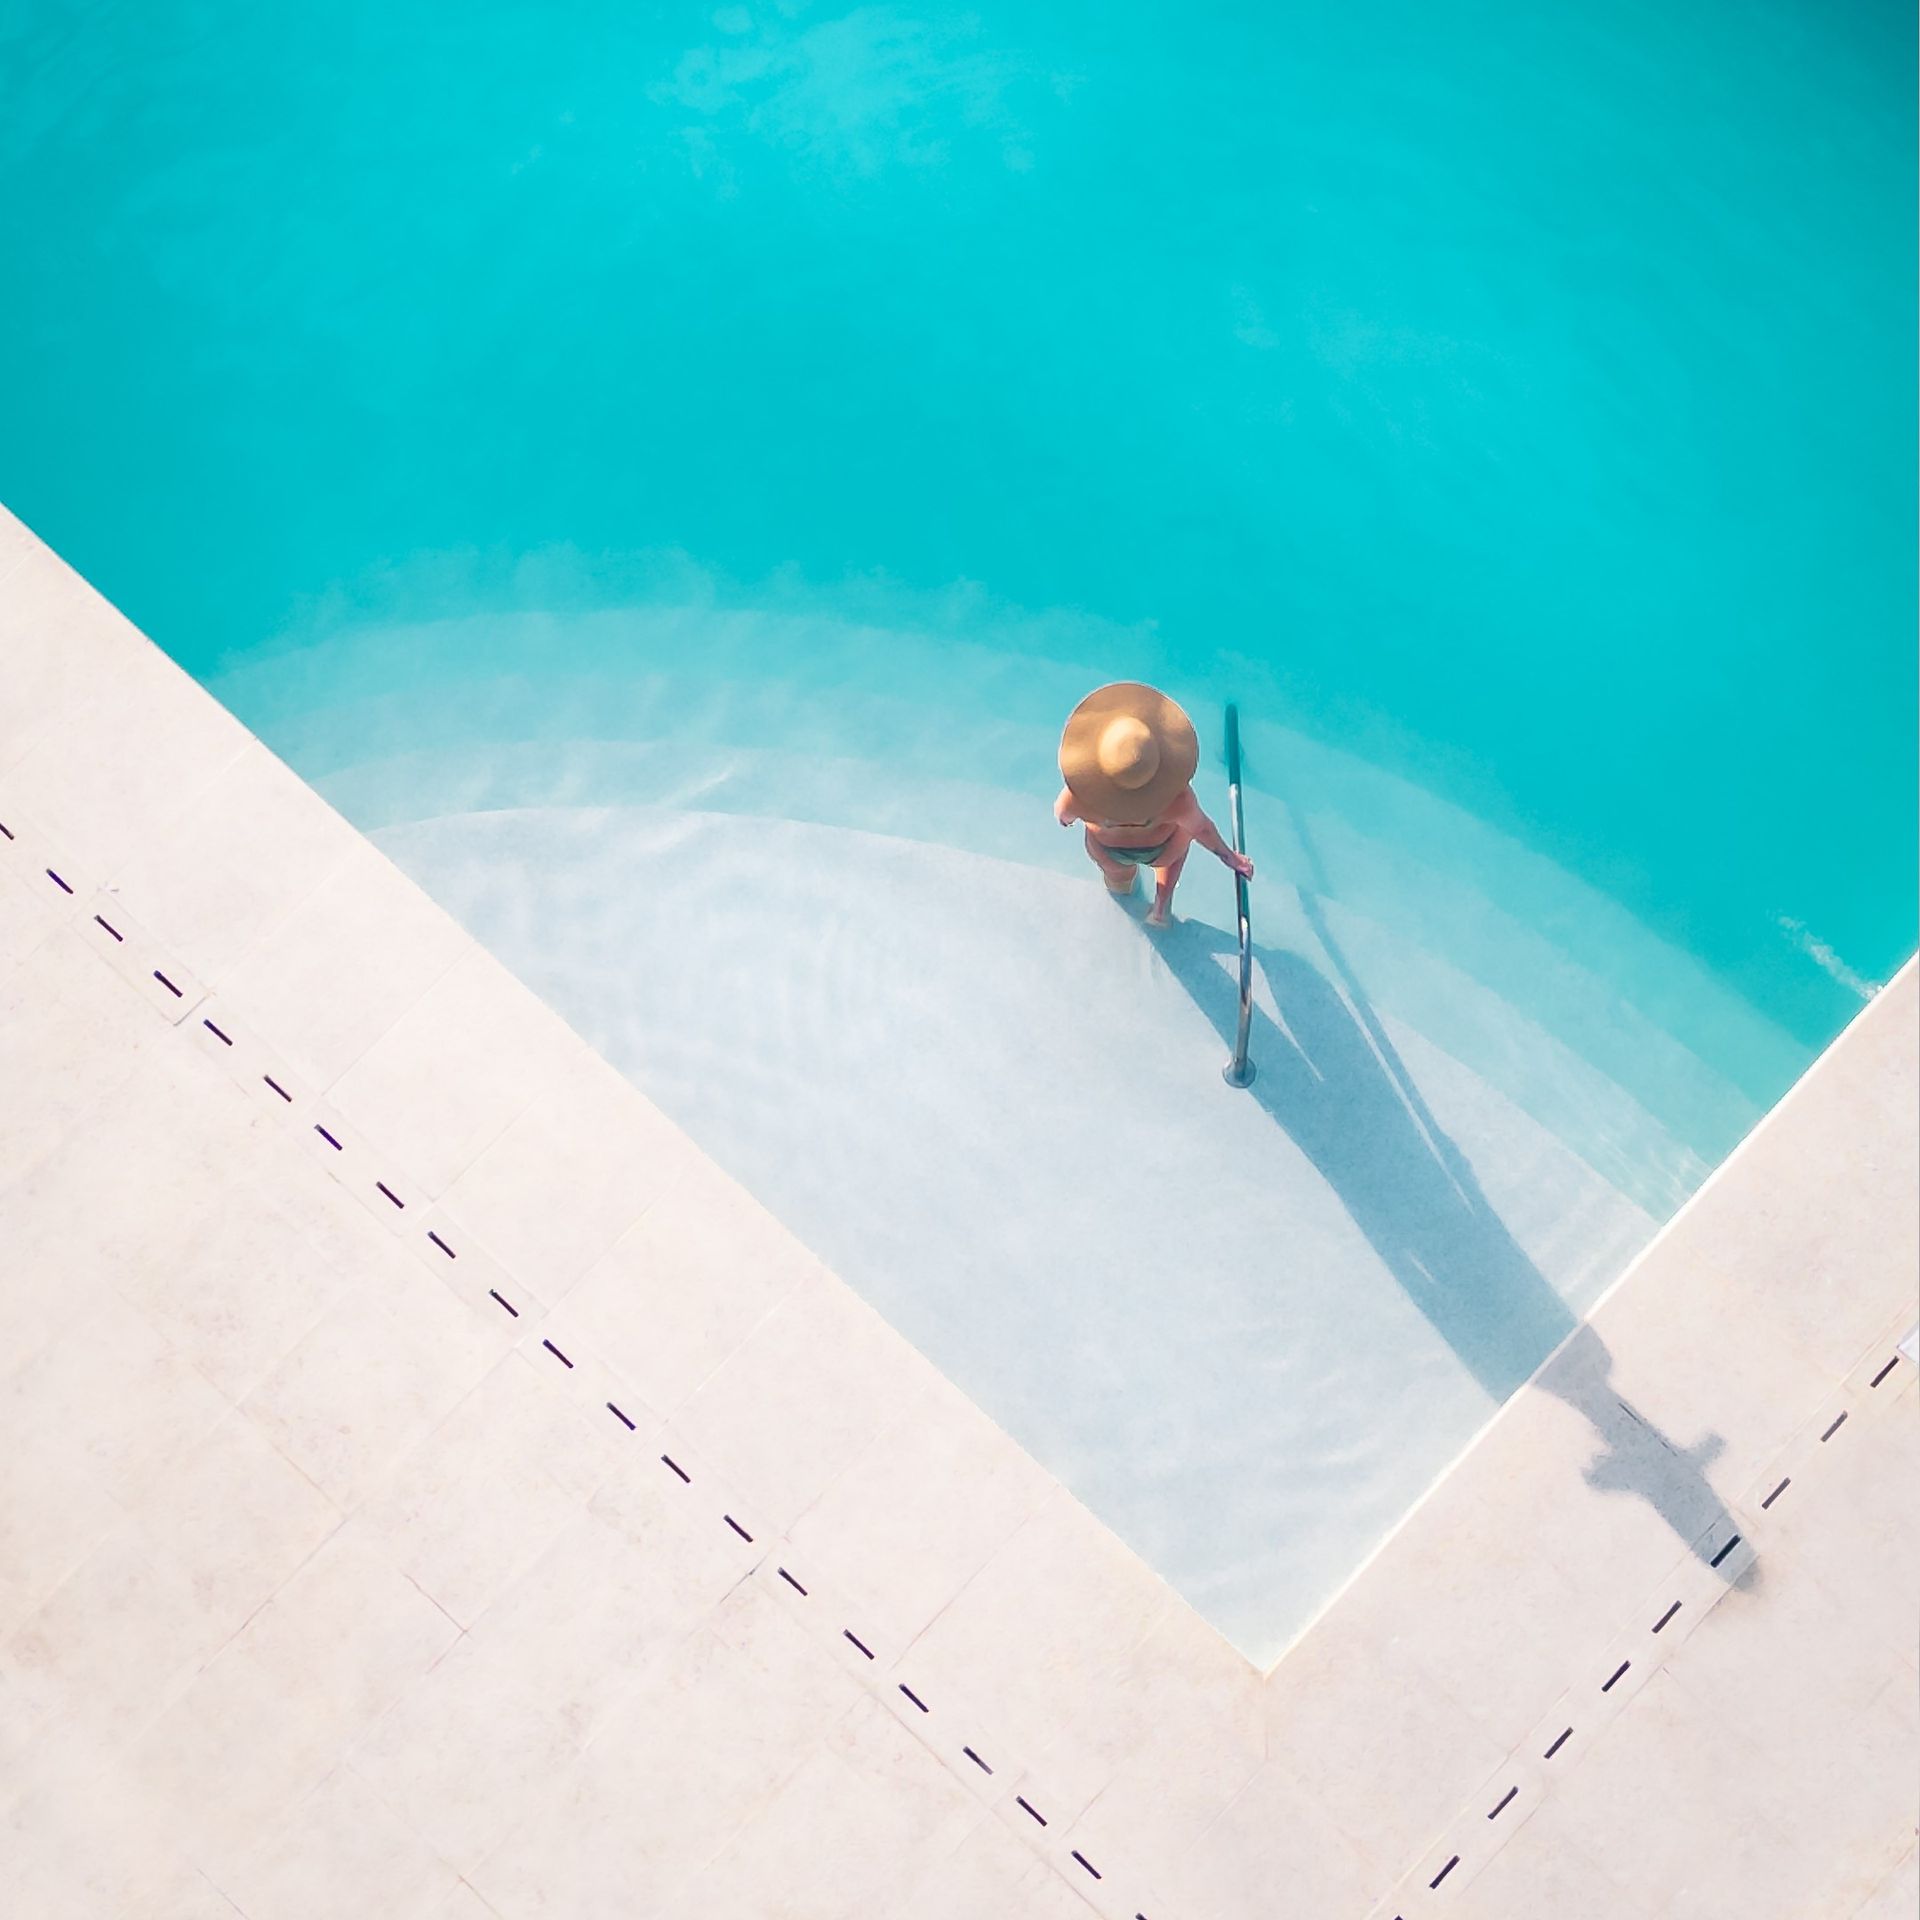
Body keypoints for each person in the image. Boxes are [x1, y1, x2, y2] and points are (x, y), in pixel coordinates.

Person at [1054, 681, 1253, 926]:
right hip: (1163, 847)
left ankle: (1123, 894)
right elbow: (1201, 829)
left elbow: (1063, 816)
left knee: (1116, 878)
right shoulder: (1177, 799)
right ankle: (1160, 910)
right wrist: (1229, 858)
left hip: (1109, 850)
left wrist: (1077, 819)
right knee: (1177, 848)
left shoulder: (1078, 797)